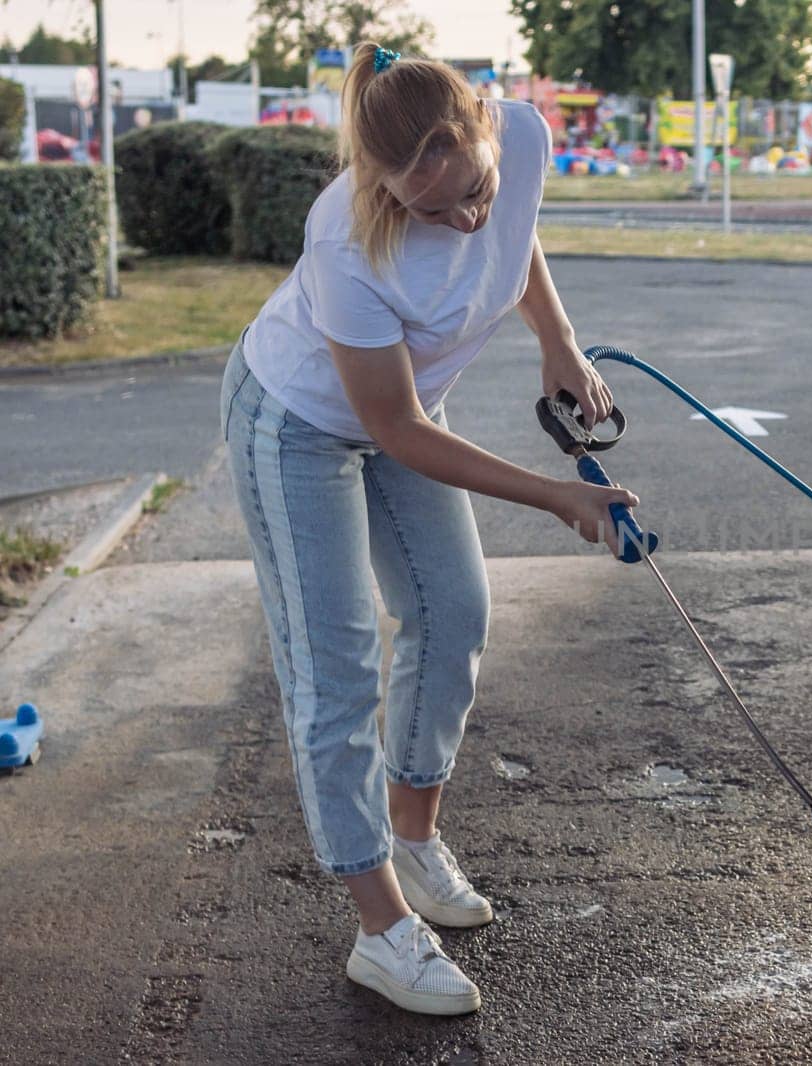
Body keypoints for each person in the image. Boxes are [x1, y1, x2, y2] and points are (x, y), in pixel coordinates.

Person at [219, 42, 639, 1016]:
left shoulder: (522, 135)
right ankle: (380, 929)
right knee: (337, 669)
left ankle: (415, 837)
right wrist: (558, 493)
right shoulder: (345, 239)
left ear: (485, 129)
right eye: (431, 209)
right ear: (384, 186)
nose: (463, 219)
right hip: (298, 427)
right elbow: (396, 429)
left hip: (405, 411)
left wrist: (558, 339)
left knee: (453, 612)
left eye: (473, 189)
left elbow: (514, 232)